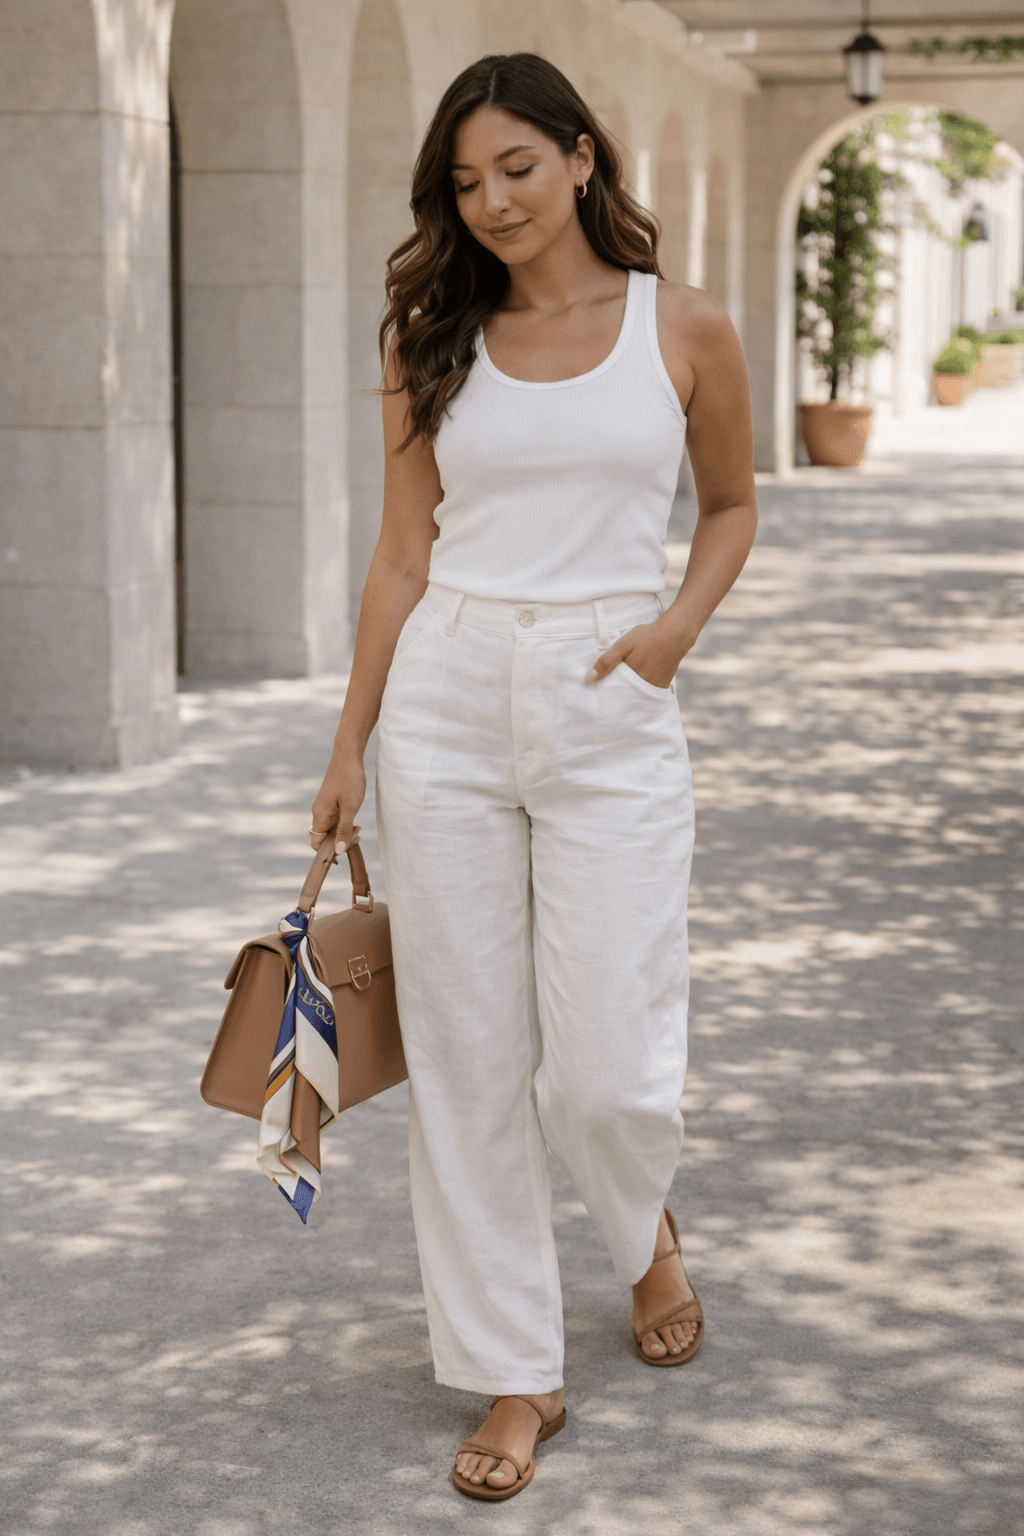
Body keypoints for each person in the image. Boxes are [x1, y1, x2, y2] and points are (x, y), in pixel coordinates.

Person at [310, 53, 757, 1502]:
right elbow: (401, 551)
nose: (491, 201)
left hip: (605, 692)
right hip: (445, 700)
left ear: (578, 157)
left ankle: (643, 1227)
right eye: (462, 182)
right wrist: (347, 743)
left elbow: (733, 504)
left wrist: (675, 631)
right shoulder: (429, 333)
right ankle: (517, 1369)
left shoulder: (682, 326)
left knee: (612, 1068)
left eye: (514, 167)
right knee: (468, 1055)